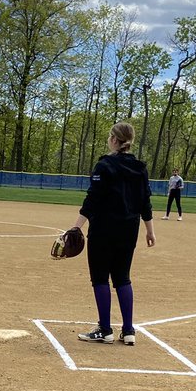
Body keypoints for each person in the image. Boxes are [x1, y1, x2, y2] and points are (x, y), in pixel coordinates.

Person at [71, 122, 155, 346]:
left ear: (114, 140)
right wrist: (149, 230)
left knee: (100, 278)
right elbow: (145, 201)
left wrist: (77, 226)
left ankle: (105, 329)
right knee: (123, 278)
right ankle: (128, 331)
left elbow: (92, 200)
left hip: (103, 230)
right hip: (129, 230)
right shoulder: (140, 168)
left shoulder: (104, 165)